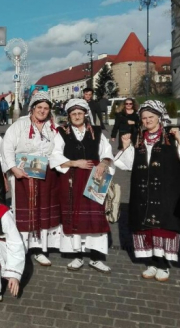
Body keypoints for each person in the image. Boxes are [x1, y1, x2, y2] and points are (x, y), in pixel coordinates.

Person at [115, 100, 180, 282]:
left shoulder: (172, 136)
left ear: (159, 117)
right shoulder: (139, 138)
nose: (147, 120)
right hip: (143, 190)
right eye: (144, 118)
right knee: (146, 227)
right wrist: (126, 145)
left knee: (163, 227)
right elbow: (127, 165)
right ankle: (151, 262)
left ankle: (163, 265)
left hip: (166, 192)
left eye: (151, 117)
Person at [50, 98, 114, 273]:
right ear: (69, 116)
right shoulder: (61, 132)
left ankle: (96, 257)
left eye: (80, 113)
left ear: (85, 114)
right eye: (73, 114)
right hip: (72, 177)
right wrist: (74, 163)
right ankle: (76, 255)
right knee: (74, 213)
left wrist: (103, 163)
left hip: (95, 176)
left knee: (96, 214)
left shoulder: (97, 131)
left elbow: (107, 153)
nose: (77, 116)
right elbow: (54, 155)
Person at [1, 92, 61, 267]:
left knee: (42, 209)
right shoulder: (19, 125)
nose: (42, 111)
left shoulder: (53, 127)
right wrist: (13, 168)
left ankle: (40, 249)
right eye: (39, 107)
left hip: (46, 175)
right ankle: (22, 247)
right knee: (24, 210)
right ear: (33, 108)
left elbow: (59, 148)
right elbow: (7, 147)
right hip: (23, 174)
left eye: (46, 108)